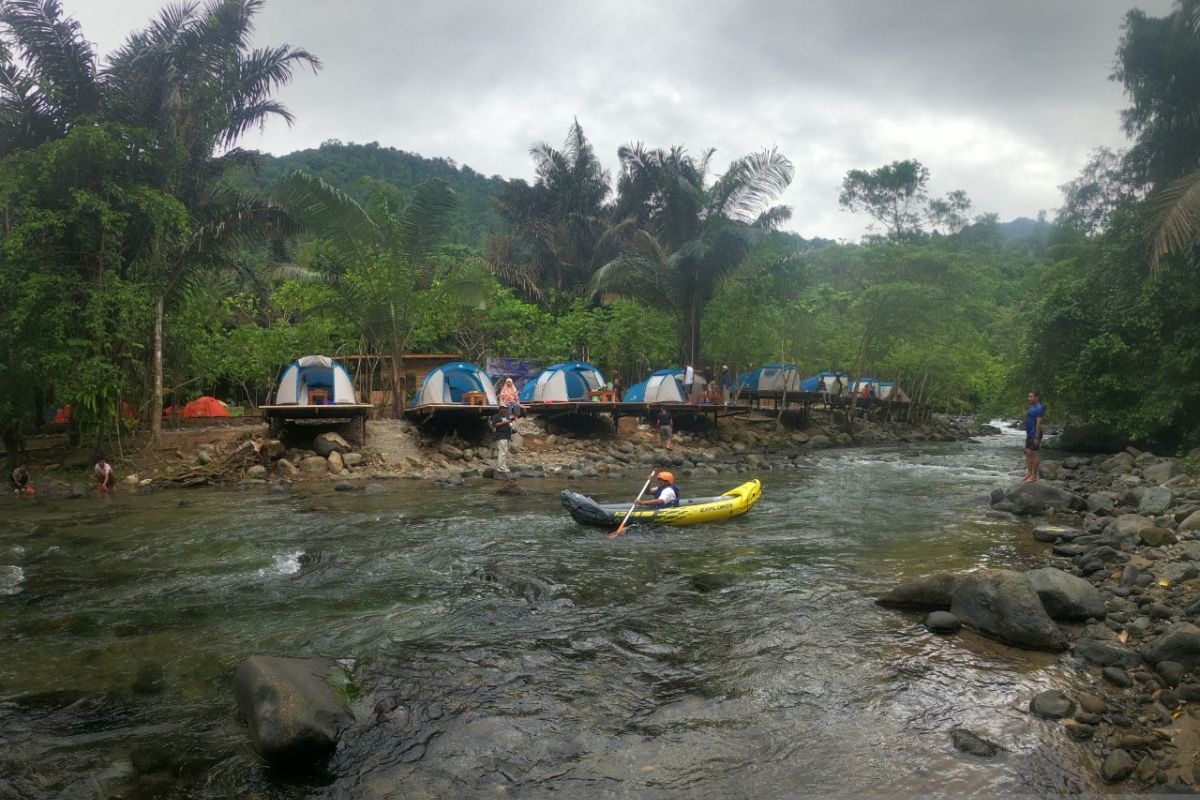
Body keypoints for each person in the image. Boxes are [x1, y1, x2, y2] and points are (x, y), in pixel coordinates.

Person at [1023, 391, 1045, 483]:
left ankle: (1034, 476)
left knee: (1035, 454)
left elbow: (1039, 423)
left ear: (1037, 398)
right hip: (1029, 434)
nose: (1029, 398)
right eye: (1029, 396)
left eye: (1031, 397)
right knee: (1028, 452)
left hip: (1035, 434)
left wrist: (1036, 437)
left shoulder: (1039, 408)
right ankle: (1029, 473)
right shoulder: (1032, 406)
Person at [491, 406, 513, 473]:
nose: (504, 410)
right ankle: (501, 468)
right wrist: (503, 423)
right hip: (500, 435)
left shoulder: (507, 416)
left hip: (508, 435)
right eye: (503, 409)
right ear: (500, 409)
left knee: (506, 452)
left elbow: (510, 423)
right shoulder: (496, 416)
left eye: (505, 409)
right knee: (502, 452)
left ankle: (503, 466)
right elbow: (494, 425)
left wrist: (509, 424)